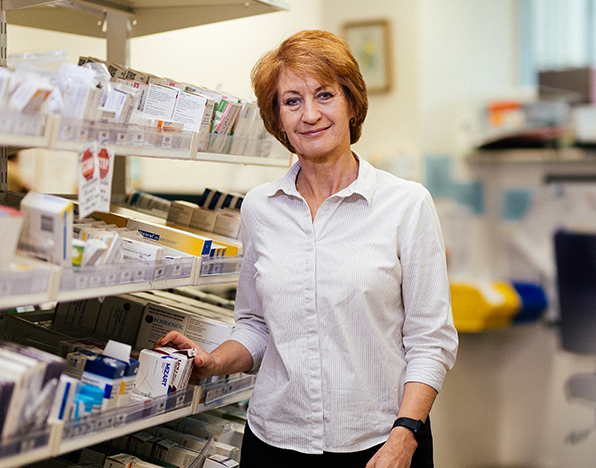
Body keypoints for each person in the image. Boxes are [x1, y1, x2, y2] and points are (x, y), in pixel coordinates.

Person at [155, 29, 458, 468]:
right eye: (292, 101)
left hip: (380, 443)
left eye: (324, 95)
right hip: (276, 441)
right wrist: (210, 361)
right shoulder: (260, 207)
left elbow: (431, 342)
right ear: (277, 118)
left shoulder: (406, 205)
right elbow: (257, 324)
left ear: (352, 103)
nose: (310, 114)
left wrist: (405, 436)